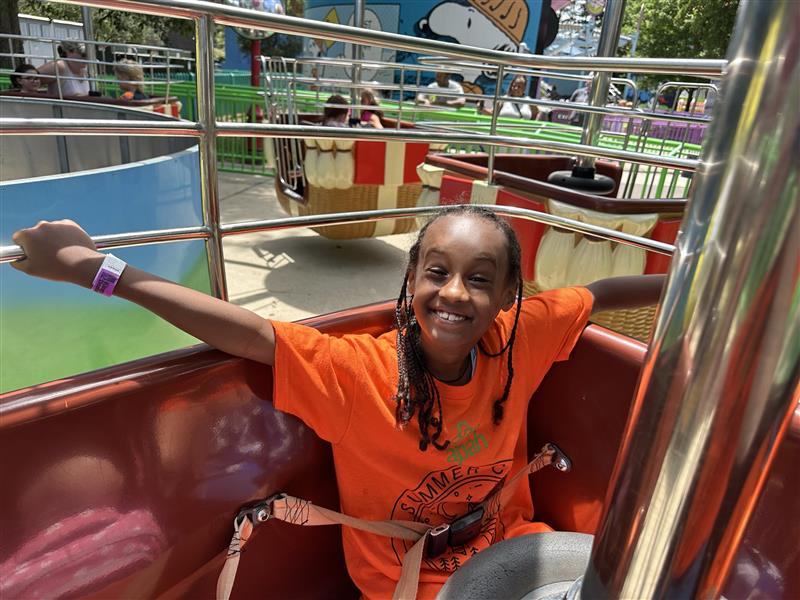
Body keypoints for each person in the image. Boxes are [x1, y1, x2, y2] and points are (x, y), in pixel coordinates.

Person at [10, 207, 664, 599]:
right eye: (437, 273)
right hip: (416, 584)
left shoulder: (522, 336)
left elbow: (600, 291)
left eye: (480, 280)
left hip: (524, 551)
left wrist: (719, 279)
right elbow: (251, 333)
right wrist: (93, 267)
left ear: (507, 296)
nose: (455, 294)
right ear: (411, 279)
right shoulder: (362, 373)